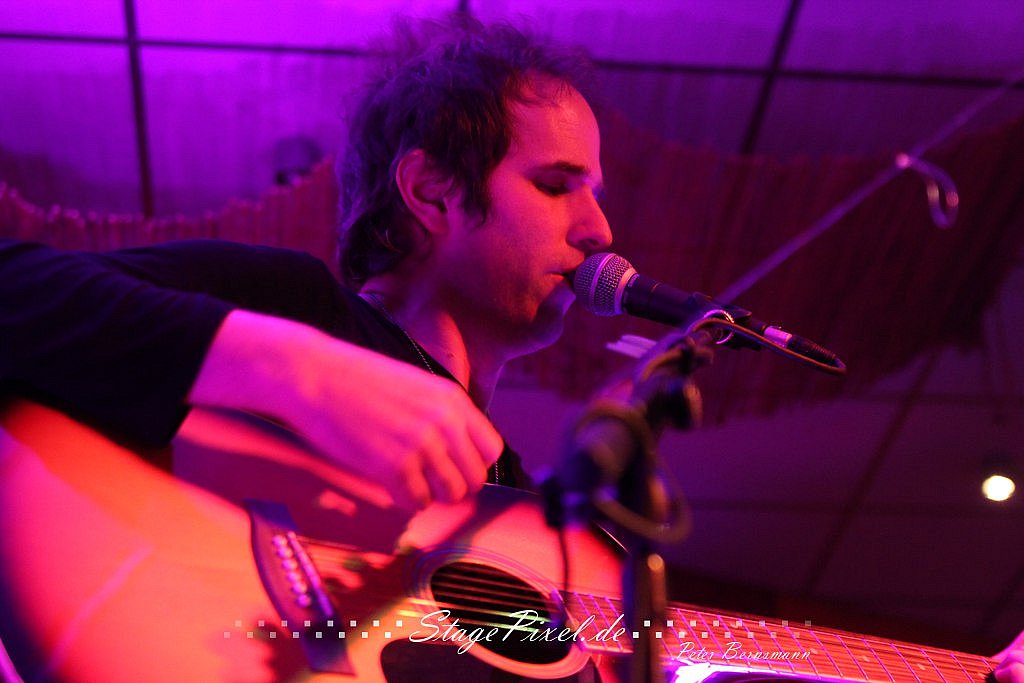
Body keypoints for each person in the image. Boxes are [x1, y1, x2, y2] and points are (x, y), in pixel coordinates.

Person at [0, 15, 1022, 683]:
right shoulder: (297, 306)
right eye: (556, 184)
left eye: (595, 193)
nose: (600, 229)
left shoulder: (532, 510)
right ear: (432, 191)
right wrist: (296, 367)